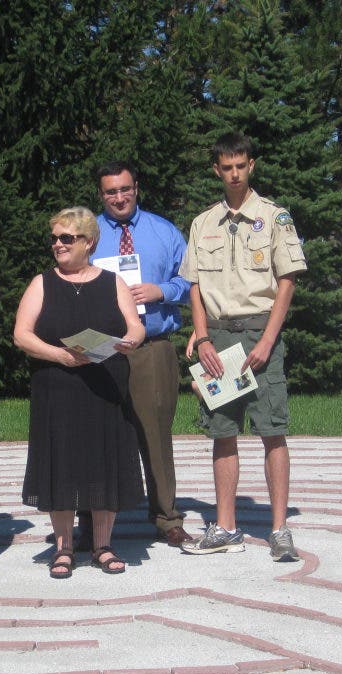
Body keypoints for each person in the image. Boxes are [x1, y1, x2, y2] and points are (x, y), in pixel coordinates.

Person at [179, 131, 307, 563]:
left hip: (260, 335)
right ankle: (227, 525)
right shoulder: (203, 223)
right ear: (217, 170)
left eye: (241, 166)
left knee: (272, 429)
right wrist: (201, 338)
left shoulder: (275, 217)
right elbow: (194, 285)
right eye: (226, 167)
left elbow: (286, 280)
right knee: (223, 432)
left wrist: (269, 339)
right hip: (218, 338)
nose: (234, 174)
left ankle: (278, 529)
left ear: (252, 165)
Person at [14, 207, 146, 578]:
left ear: (88, 242)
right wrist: (58, 355)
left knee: (104, 460)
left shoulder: (113, 282)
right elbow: (21, 334)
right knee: (62, 462)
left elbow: (135, 326)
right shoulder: (42, 283)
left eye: (66, 238)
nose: (58, 244)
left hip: (105, 386)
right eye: (54, 237)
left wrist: (130, 341)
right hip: (58, 387)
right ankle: (64, 547)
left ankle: (103, 545)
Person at [84, 161, 192, 548]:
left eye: (125, 189)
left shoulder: (164, 231)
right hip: (103, 349)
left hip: (152, 348)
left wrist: (160, 291)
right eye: (111, 192)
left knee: (156, 435)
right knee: (96, 435)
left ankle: (167, 517)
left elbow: (190, 280)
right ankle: (91, 523)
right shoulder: (89, 234)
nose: (119, 197)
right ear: (102, 195)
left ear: (136, 188)